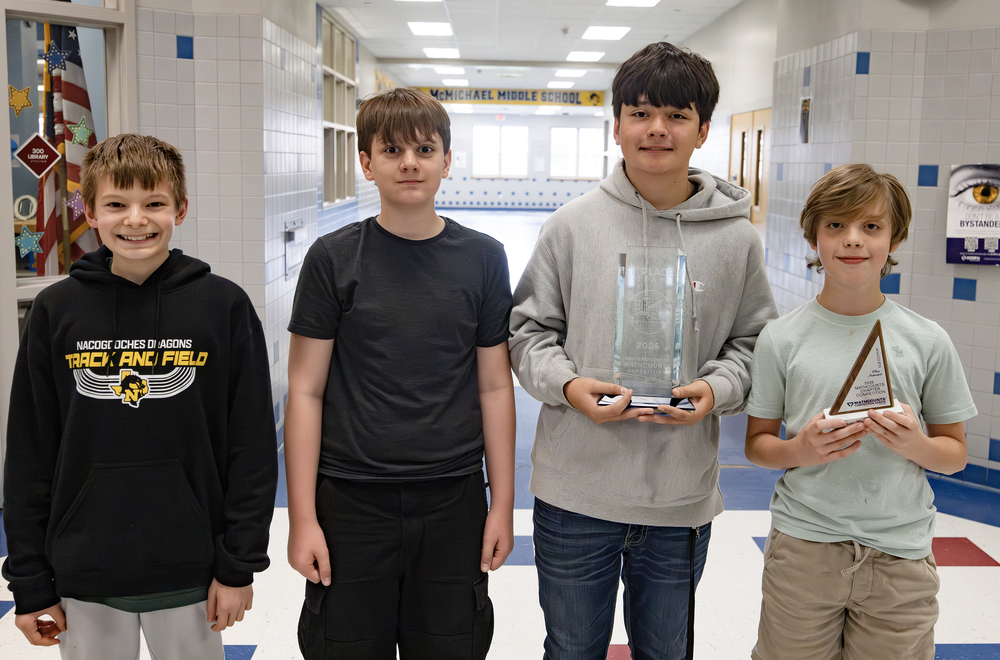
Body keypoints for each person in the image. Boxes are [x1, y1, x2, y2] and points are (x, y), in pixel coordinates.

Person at [509, 42, 778, 659]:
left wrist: (718, 390)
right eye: (640, 112)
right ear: (618, 125)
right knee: (572, 649)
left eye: (677, 115)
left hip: (679, 497)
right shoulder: (570, 227)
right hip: (577, 491)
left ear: (703, 130)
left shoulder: (737, 240)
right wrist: (570, 387)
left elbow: (754, 341)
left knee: (666, 651)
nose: (657, 128)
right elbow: (528, 333)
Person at [2, 134, 278, 659]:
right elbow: (30, 454)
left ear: (180, 208)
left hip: (192, 571)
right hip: (85, 571)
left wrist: (238, 564)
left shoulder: (223, 307)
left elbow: (252, 450)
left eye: (153, 203)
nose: (136, 220)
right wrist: (31, 583)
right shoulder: (56, 313)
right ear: (89, 211)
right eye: (116, 204)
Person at [285, 87, 516, 659]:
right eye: (392, 150)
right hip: (350, 500)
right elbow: (305, 391)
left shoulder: (483, 258)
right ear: (366, 163)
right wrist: (302, 519)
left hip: (452, 497)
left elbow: (494, 385)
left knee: (449, 644)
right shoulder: (334, 259)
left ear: (446, 160)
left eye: (424, 148)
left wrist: (502, 505)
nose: (409, 162)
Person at [744, 163, 977, 660]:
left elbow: (954, 455)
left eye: (871, 226)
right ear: (813, 237)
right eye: (835, 226)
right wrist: (799, 449)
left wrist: (914, 445)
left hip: (900, 556)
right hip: (804, 550)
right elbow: (759, 445)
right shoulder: (780, 338)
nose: (852, 240)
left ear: (894, 240)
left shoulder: (928, 340)